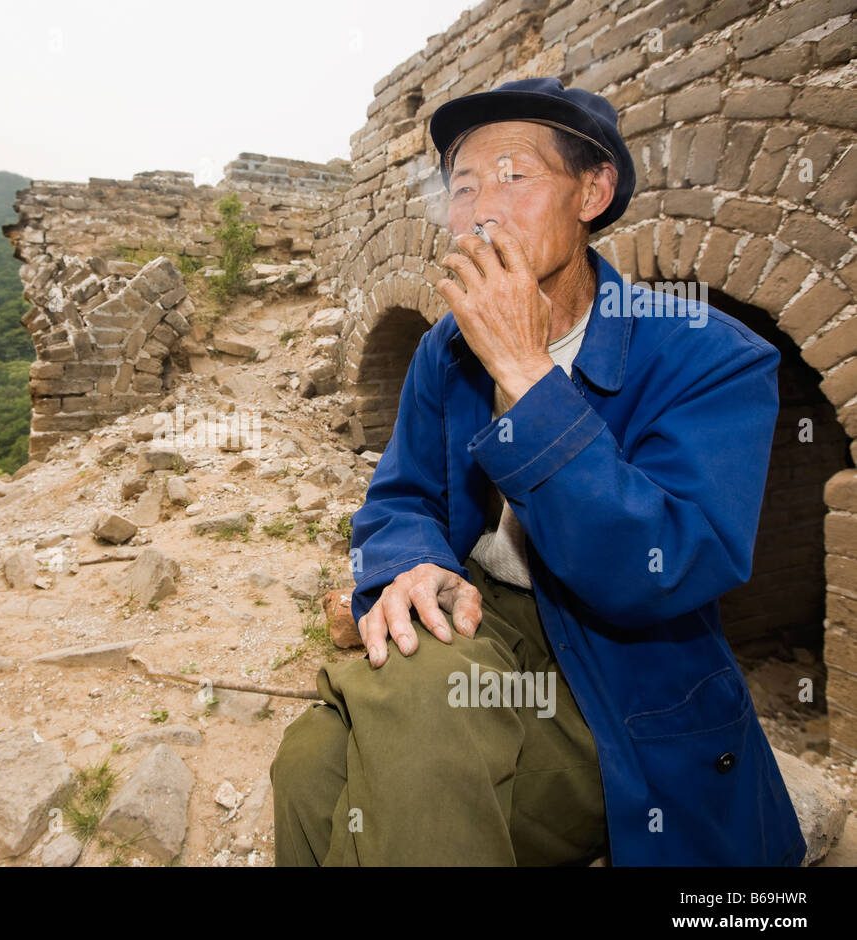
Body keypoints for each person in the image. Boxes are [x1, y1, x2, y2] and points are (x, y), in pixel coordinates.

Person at [270, 77, 806, 867]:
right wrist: (410, 561)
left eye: (515, 177)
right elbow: (404, 494)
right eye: (463, 187)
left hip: (622, 674)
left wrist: (525, 373)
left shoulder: (709, 355)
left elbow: (664, 566)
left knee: (411, 697)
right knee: (309, 765)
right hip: (489, 625)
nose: (482, 209)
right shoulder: (441, 351)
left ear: (593, 191)